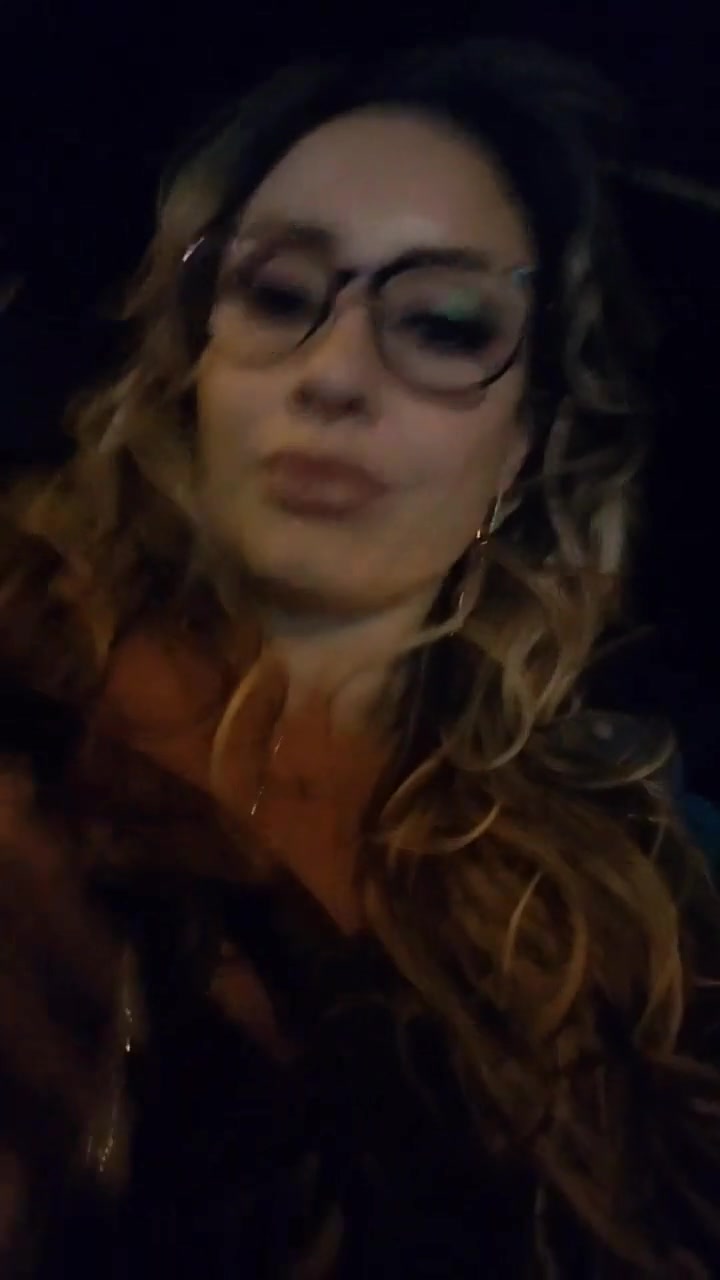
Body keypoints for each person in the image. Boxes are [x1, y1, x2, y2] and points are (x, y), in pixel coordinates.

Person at [0, 37, 718, 1279]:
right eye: (280, 295)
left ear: (525, 447)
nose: (334, 373)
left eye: (442, 323)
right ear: (193, 364)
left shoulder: (629, 897)